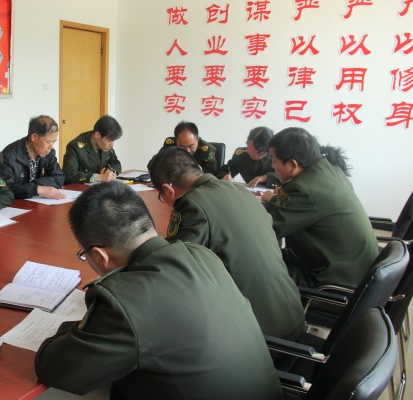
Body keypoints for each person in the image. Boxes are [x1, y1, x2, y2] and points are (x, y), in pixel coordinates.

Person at [34, 182, 281, 399]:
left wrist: (78, 326)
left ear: (99, 256)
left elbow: (54, 370)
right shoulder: (201, 255)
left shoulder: (122, 302)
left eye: (84, 255)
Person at [148, 146, 304, 340]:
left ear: (167, 189)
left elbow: (174, 271)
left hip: (259, 336)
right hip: (292, 316)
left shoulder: (193, 205)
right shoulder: (241, 191)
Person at [261, 127, 378, 288]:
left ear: (293, 164)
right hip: (355, 270)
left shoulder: (303, 190)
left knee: (250, 264)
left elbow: (265, 228)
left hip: (333, 280)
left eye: (274, 160)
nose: (272, 166)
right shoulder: (330, 169)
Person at [0, 115, 66, 199]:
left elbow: (59, 177)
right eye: (48, 142)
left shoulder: (48, 152)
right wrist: (37, 189)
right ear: (34, 137)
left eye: (54, 141)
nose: (51, 146)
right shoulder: (9, 156)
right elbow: (5, 189)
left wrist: (35, 187)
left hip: (36, 202)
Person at [62, 115, 122, 184]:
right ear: (97, 135)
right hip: (76, 187)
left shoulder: (105, 145)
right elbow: (69, 174)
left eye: (113, 140)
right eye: (109, 140)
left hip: (97, 186)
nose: (112, 145)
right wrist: (99, 177)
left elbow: (115, 163)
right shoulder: (75, 147)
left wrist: (110, 172)